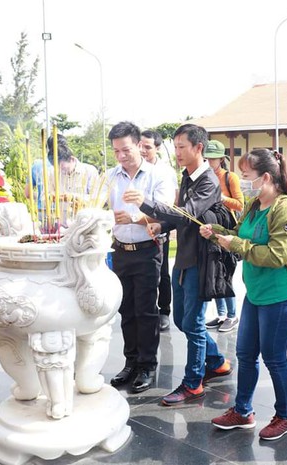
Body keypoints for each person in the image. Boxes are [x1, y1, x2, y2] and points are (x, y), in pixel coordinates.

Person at [126, 123, 232, 405]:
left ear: (199, 148)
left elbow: (186, 214)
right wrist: (160, 226)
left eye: (182, 147)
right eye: (175, 147)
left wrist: (146, 205)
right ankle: (218, 361)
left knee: (194, 324)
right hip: (183, 257)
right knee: (182, 321)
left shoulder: (208, 181)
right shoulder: (186, 176)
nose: (178, 153)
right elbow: (176, 218)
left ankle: (193, 382)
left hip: (200, 260)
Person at [204, 148, 287, 441]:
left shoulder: (285, 208)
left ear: (265, 177)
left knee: (274, 358)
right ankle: (243, 411)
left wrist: (235, 245)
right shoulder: (253, 204)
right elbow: (240, 233)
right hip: (256, 293)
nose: (241, 180)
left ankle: (285, 416)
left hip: (281, 295)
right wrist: (218, 231)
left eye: (246, 176)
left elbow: (276, 255)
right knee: (246, 354)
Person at [106, 121, 169, 394]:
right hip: (120, 250)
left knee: (145, 310)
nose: (122, 156)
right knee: (126, 310)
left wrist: (134, 216)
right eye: (117, 151)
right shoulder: (111, 176)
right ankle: (130, 362)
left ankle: (147, 365)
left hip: (147, 250)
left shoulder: (157, 176)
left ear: (139, 146)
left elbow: (166, 213)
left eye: (126, 150)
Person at [202, 140, 245, 333]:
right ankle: (221, 314)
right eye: (207, 158)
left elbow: (240, 204)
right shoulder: (202, 176)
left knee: (226, 272)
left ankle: (232, 315)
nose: (210, 161)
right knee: (215, 271)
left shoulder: (230, 177)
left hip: (226, 227)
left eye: (214, 158)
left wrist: (220, 198)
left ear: (221, 158)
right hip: (210, 228)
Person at [140, 129, 179, 332]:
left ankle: (164, 311)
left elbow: (170, 204)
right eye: (140, 146)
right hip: (138, 233)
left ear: (157, 148)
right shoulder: (133, 169)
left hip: (159, 230)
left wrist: (160, 224)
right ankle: (148, 311)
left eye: (147, 147)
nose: (143, 150)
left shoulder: (165, 172)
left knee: (162, 274)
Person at [46, 134, 99, 227]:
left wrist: (73, 197)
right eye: (56, 167)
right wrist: (54, 197)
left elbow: (96, 198)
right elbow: (45, 196)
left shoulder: (89, 171)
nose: (60, 170)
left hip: (85, 225)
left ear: (71, 159)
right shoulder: (52, 173)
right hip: (61, 225)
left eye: (62, 166)